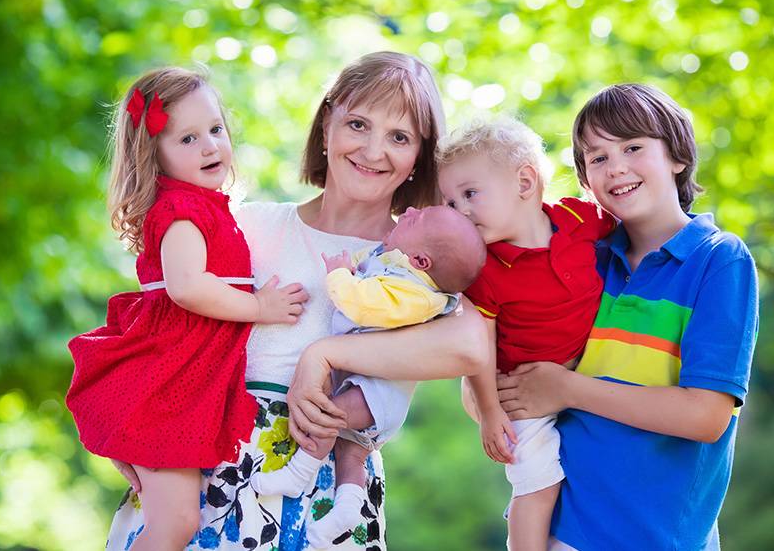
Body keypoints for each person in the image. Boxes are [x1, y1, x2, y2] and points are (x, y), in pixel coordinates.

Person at [104, 52, 488, 551]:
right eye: (357, 124)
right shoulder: (250, 225)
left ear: (420, 155)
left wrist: (324, 356)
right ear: (326, 123)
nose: (374, 150)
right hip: (208, 469)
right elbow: (160, 322)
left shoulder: (420, 267)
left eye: (399, 137)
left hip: (325, 487)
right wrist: (127, 420)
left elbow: (473, 345)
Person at [494, 83, 759, 550]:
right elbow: (511, 370)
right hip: (560, 530)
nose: (615, 166)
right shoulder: (583, 262)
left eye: (633, 147)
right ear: (585, 179)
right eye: (596, 158)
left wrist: (568, 388)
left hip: (652, 537)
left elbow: (706, 416)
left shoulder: (719, 260)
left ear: (677, 156)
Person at [66, 67, 308, 551]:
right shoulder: (182, 214)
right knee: (176, 522)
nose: (210, 146)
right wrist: (259, 305)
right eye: (188, 138)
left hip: (182, 386)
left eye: (216, 130)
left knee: (180, 513)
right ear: (153, 156)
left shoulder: (207, 208)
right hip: (167, 389)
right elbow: (187, 288)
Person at [251, 204, 486, 548]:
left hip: (375, 393)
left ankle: (297, 473)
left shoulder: (418, 293)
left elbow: (365, 304)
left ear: (421, 262)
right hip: (363, 388)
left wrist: (339, 275)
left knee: (326, 416)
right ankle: (347, 508)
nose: (407, 211)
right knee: (351, 453)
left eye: (416, 218)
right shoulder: (396, 262)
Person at [437, 118, 615, 551]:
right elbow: (478, 348)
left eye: (470, 194)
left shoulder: (579, 219)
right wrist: (491, 410)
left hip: (582, 373)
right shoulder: (486, 270)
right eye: (450, 201)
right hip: (517, 389)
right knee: (537, 478)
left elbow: (632, 230)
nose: (459, 210)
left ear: (524, 182)